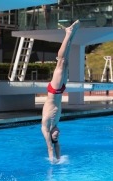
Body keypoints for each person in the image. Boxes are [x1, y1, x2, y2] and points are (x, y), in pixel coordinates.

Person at [41, 20, 80, 164]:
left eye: (55, 135)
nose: (58, 133)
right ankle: (72, 35)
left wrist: (52, 163)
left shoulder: (46, 126)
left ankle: (68, 33)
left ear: (51, 134)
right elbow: (57, 145)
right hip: (61, 89)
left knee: (61, 62)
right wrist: (60, 158)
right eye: (58, 134)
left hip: (54, 90)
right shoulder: (56, 123)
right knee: (66, 61)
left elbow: (50, 147)